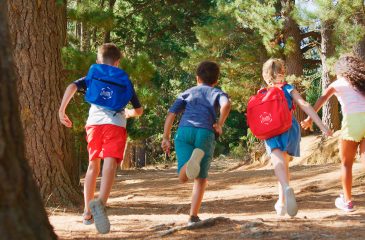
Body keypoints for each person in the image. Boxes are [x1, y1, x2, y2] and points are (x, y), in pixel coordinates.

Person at [59, 43, 143, 233]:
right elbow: (139, 110)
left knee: (92, 165)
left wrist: (61, 110)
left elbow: (72, 86)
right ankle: (101, 203)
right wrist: (129, 113)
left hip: (94, 124)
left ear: (98, 61)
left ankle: (87, 211)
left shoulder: (93, 74)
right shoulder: (123, 79)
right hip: (116, 124)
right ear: (117, 62)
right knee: (110, 163)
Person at [161, 61, 231, 225]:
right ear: (216, 80)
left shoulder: (187, 92)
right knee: (200, 179)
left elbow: (171, 114)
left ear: (197, 78)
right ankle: (193, 216)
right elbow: (226, 105)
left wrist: (166, 137)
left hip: (184, 131)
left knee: (183, 177)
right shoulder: (216, 92)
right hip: (205, 132)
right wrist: (219, 123)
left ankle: (191, 162)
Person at [261, 58, 332, 217]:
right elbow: (305, 105)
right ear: (283, 73)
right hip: (289, 127)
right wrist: (322, 126)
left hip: (270, 128)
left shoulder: (263, 93)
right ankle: (282, 202)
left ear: (265, 75)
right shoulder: (288, 88)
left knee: (278, 160)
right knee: (284, 163)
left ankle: (285, 190)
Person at [301, 55, 365, 212]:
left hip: (352, 123)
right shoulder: (362, 83)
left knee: (346, 164)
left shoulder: (338, 83)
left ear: (340, 71)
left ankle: (348, 202)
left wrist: (310, 118)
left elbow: (322, 99)